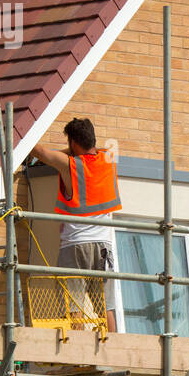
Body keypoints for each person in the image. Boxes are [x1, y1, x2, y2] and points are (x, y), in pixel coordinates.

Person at [29, 118, 121, 332]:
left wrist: (14, 139)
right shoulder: (108, 159)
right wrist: (74, 147)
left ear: (73, 143)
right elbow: (97, 149)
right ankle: (113, 356)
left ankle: (77, 361)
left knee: (74, 306)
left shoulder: (69, 165)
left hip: (75, 246)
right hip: (103, 246)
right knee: (105, 307)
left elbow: (41, 152)